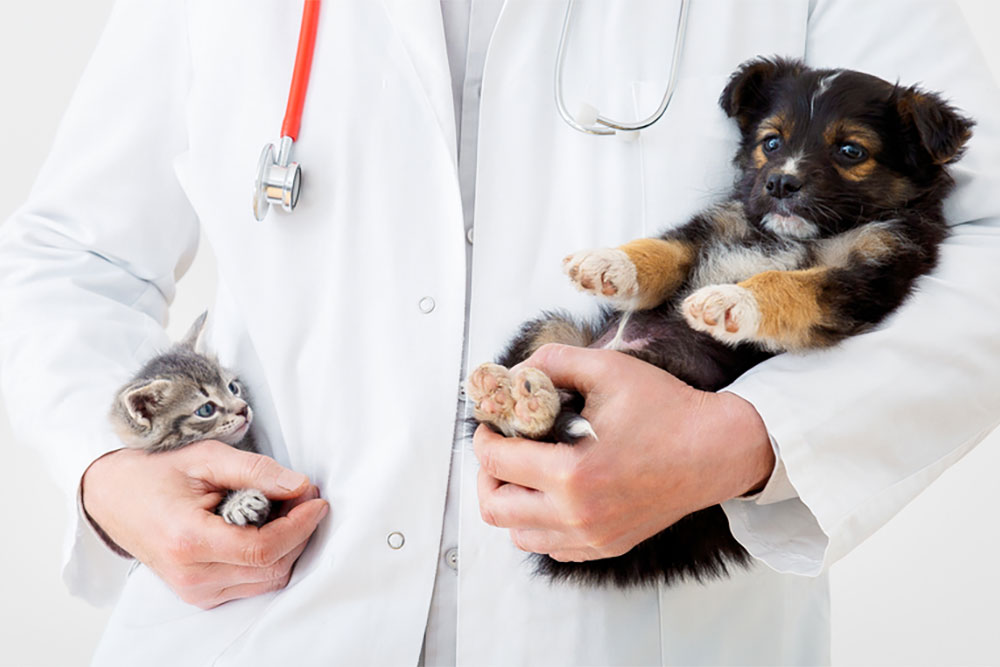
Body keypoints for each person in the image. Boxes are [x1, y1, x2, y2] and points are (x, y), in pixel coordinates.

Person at [1, 1, 999, 664]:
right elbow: (71, 252)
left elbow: (986, 244)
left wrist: (745, 442)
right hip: (260, 626)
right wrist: (110, 470)